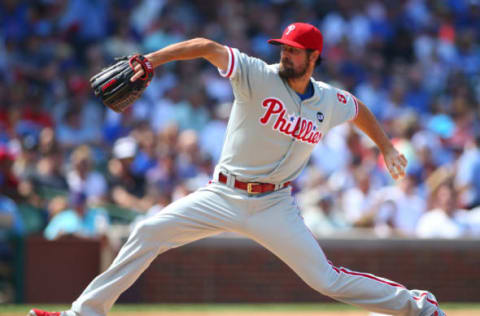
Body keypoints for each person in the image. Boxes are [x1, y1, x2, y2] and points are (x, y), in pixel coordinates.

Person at [29, 23, 445, 316]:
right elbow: (207, 46)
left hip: (275, 205)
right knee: (147, 232)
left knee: (326, 280)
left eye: (294, 50)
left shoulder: (330, 101)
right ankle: (84, 314)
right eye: (282, 47)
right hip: (222, 194)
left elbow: (359, 110)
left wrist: (387, 146)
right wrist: (151, 61)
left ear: (313, 57)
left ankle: (418, 306)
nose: (284, 53)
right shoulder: (256, 75)